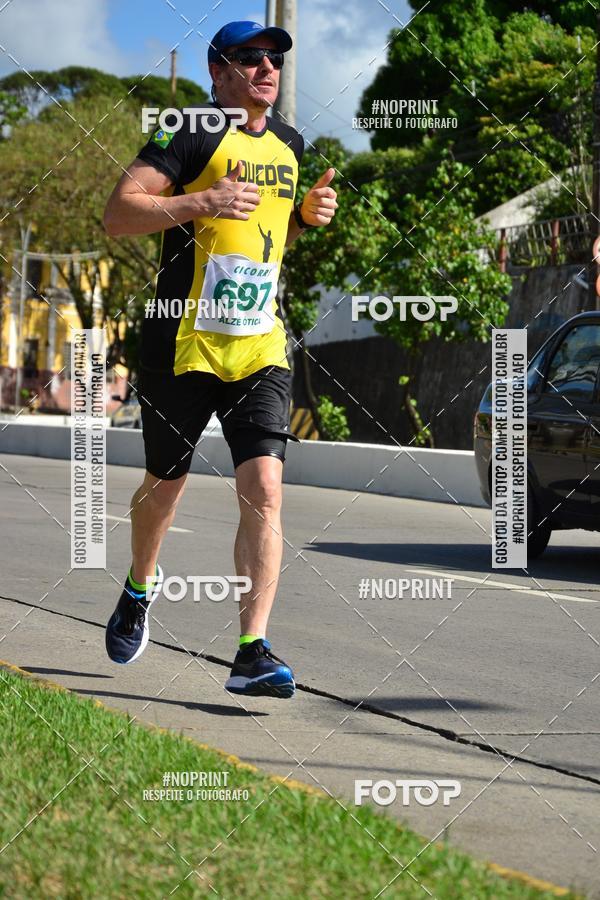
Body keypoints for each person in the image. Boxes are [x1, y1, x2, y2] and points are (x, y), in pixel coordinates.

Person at [103, 20, 338, 698]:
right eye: (250, 58)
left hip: (259, 344)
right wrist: (201, 200)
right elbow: (120, 212)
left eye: (274, 60)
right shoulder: (191, 129)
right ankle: (139, 587)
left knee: (265, 490)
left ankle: (251, 650)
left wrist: (307, 216)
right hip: (184, 340)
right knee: (164, 488)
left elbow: (268, 230)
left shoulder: (291, 145)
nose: (267, 69)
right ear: (218, 69)